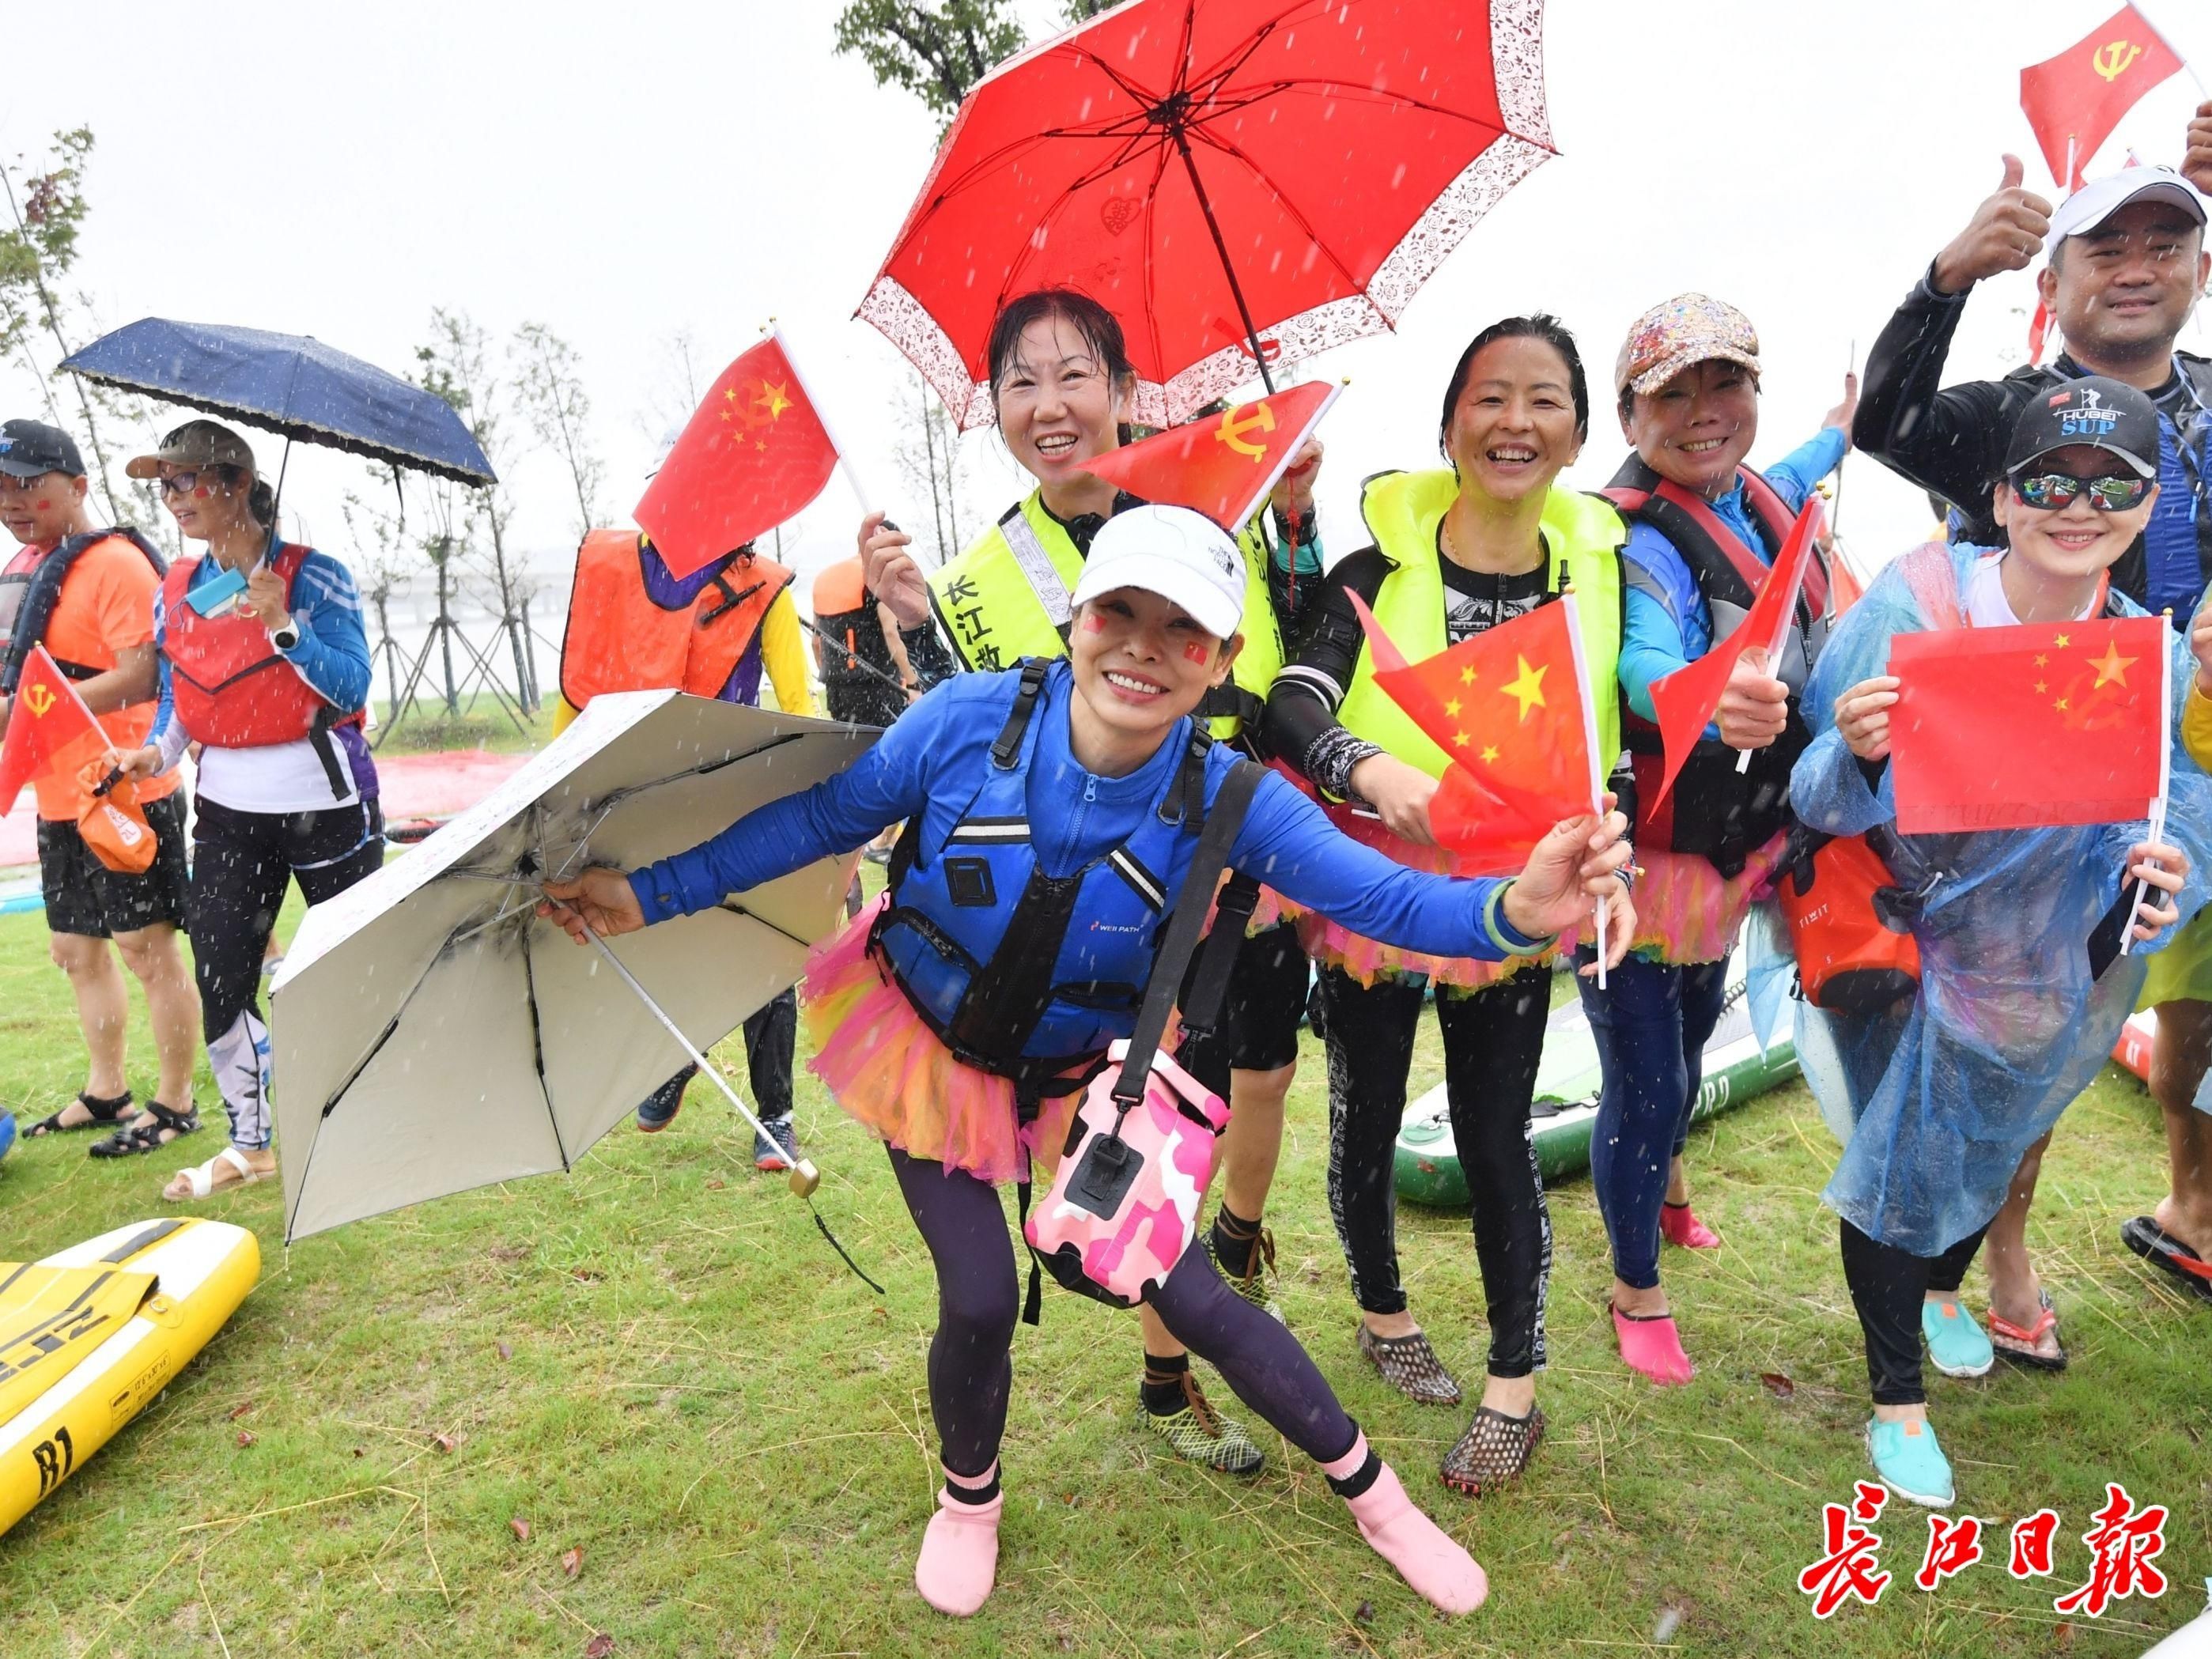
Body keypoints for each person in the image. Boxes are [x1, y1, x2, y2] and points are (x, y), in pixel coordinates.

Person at [543, 504, 1635, 1617]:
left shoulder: (1231, 798)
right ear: (1077, 614)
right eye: (1120, 610)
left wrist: (1518, 906)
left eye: (1185, 631)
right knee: (975, 1294)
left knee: (1189, 1294)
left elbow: (1387, 895)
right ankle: (970, 1499)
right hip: (924, 1048)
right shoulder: (961, 722)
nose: (1143, 647)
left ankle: (1376, 1494)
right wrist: (645, 893)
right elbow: (822, 817)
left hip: (1086, 1080)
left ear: (1220, 662)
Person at [860, 288, 1324, 1475]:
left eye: (1077, 376)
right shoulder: (977, 575)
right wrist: (914, 629)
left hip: (1240, 881)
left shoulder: (1211, 508)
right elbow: (997, 756)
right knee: (1139, 1138)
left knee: (1217, 1125)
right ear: (995, 407)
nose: (1051, 405)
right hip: (1118, 932)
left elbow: (1282, 670)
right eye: (1021, 381)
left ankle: (1196, 1331)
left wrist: (1291, 521)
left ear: (1126, 388)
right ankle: (1156, 1382)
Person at [1790, 379, 2209, 1505]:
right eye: (2050, 481)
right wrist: (1860, 750)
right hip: (1901, 944)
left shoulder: (2148, 650)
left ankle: (1941, 1292)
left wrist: (2171, 867)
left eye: (2111, 482)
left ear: (2145, 502)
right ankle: (1895, 1399)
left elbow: (2177, 801)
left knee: (1988, 1151)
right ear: (2003, 495)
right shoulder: (1917, 601)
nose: (2079, 506)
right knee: (1895, 1169)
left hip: (2043, 963)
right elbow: (1814, 792)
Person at [1265, 314, 1626, 1490]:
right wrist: (1366, 769)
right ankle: (1381, 1312)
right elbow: (1293, 699)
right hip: (1372, 888)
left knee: (1492, 1132)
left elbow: (1613, 739)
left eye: (1544, 400)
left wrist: (1610, 819)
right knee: (1363, 1116)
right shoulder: (1372, 562)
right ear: (1447, 424)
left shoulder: (1593, 572)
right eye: (1489, 398)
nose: (1514, 422)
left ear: (1576, 433)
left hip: (1512, 899)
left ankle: (1514, 1385)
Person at [1853, 145, 2212, 1318]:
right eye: (2103, 245)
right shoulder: (2009, 412)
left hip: (2186, 766)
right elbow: (1885, 419)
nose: (2135, 269)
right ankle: (1990, 1253)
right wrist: (1947, 274)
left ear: (2200, 269)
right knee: (2025, 1031)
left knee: (2186, 1003)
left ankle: (2191, 1207)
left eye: (2163, 244)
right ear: (2048, 283)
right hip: (2030, 780)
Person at [1589, 295, 1855, 1385]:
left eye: (1725, 383)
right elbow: (1639, 665)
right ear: (1629, 414)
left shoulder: (1753, 493)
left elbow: (1813, 457)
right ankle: (1632, 1283)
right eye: (1674, 391)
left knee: (1696, 1039)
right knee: (1643, 1079)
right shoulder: (1638, 538)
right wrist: (1715, 697)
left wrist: (1850, 414)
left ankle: (1672, 1187)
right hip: (1638, 865)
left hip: (1727, 853)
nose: (1704, 411)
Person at [112, 421, 381, 1201]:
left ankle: (366, 1114)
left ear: (235, 482)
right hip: (228, 811)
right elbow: (183, 695)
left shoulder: (316, 576)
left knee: (349, 970)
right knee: (223, 973)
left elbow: (354, 686)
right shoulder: (181, 588)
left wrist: (283, 626)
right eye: (162, 484)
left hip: (327, 804)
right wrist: (155, 755)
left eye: (186, 480)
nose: (172, 498)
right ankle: (253, 1144)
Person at [554, 525, 814, 1169]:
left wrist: (813, 803)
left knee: (764, 949)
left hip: (738, 789)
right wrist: (554, 795)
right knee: (662, 937)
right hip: (644, 790)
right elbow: (579, 688)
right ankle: (677, 1057)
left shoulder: (763, 586)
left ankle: (773, 1115)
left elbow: (796, 705)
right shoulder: (612, 572)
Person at [0, 419, 200, 1154]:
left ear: (78, 486)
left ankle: (176, 1103)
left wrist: (37, 709)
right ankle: (107, 1091)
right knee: (75, 950)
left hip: (125, 790)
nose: (11, 501)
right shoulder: (24, 567)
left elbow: (144, 672)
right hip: (58, 796)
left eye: (27, 484)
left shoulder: (116, 563)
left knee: (146, 948)